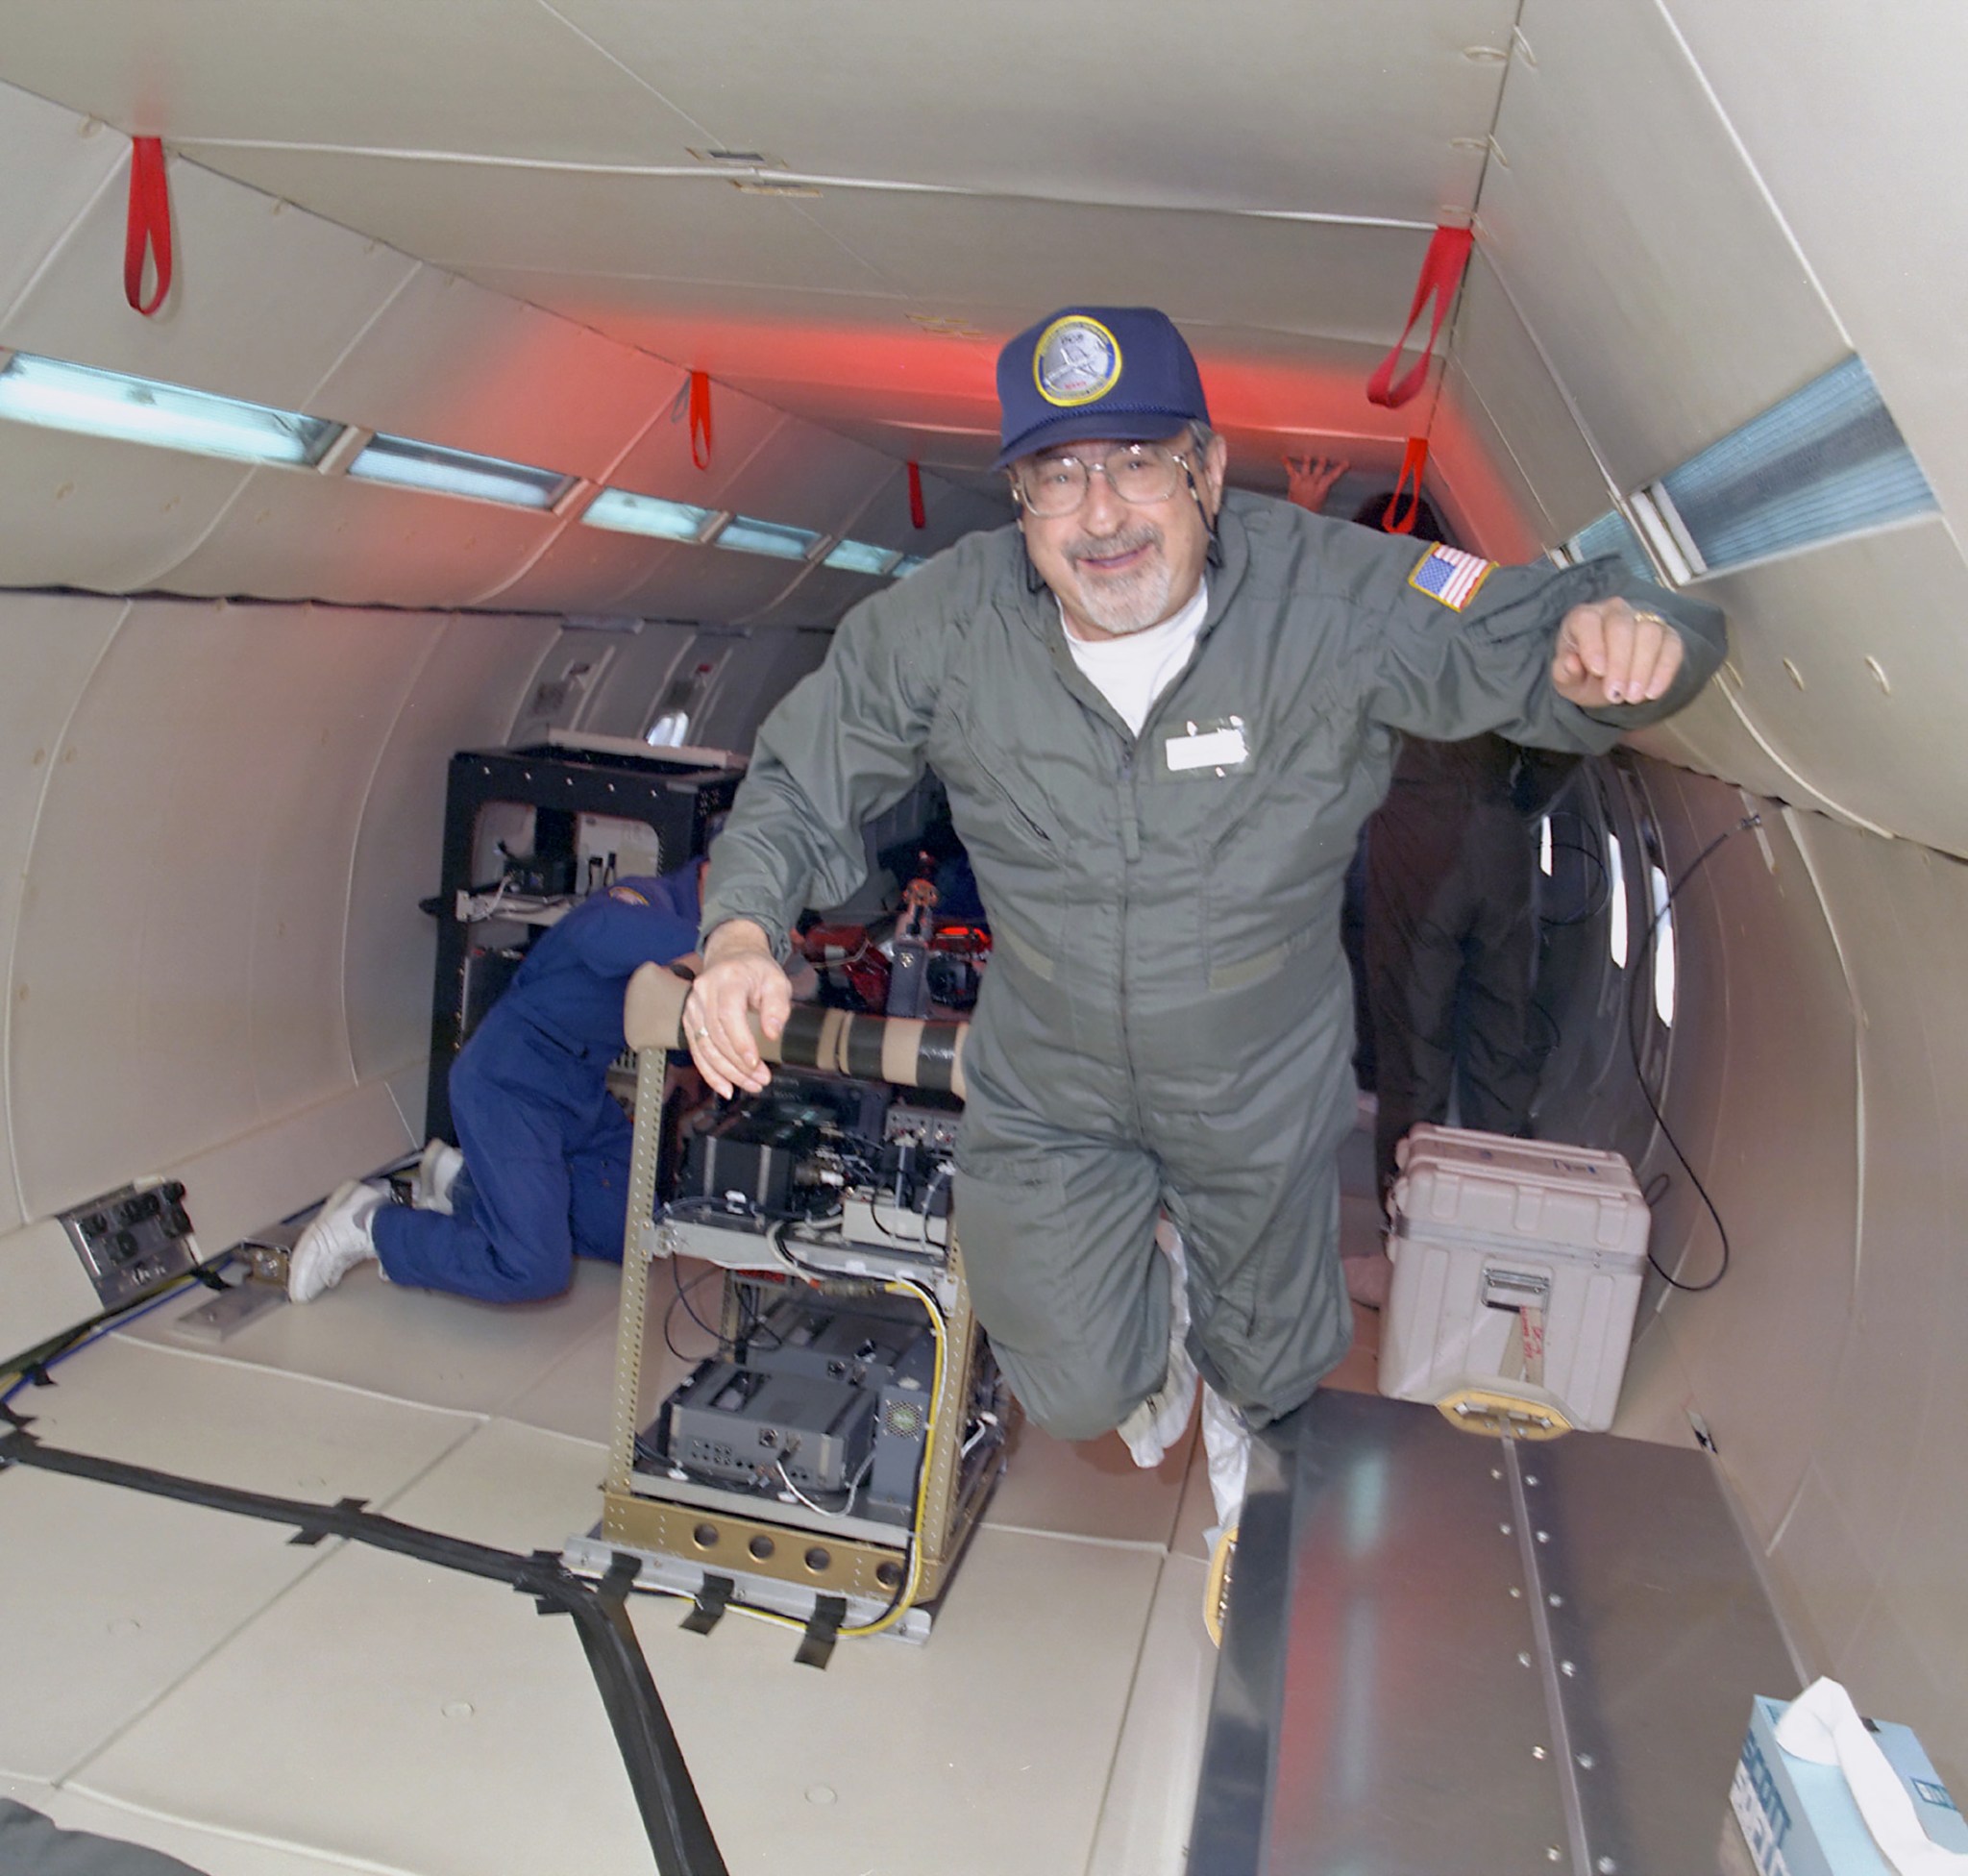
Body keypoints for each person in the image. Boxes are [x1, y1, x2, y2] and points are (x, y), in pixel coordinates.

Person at [675, 305, 1725, 1538]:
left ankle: (1252, 1480)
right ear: (1018, 499)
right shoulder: (946, 625)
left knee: (1272, 1369)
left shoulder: (1327, 591)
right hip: (1052, 1072)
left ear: (1208, 472)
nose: (1102, 515)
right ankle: (1152, 1317)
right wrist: (743, 929)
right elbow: (802, 775)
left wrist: (1633, 633)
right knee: (1071, 1378)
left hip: (1256, 1067)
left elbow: (1542, 626)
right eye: (1058, 477)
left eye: (1138, 464)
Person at [287, 859, 704, 1304]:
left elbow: (671, 1012)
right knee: (531, 1266)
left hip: (577, 1090)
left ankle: (468, 1184)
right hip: (512, 1081)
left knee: (632, 1227)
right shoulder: (649, 900)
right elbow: (599, 929)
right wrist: (723, 948)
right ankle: (370, 1225)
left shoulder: (694, 936)